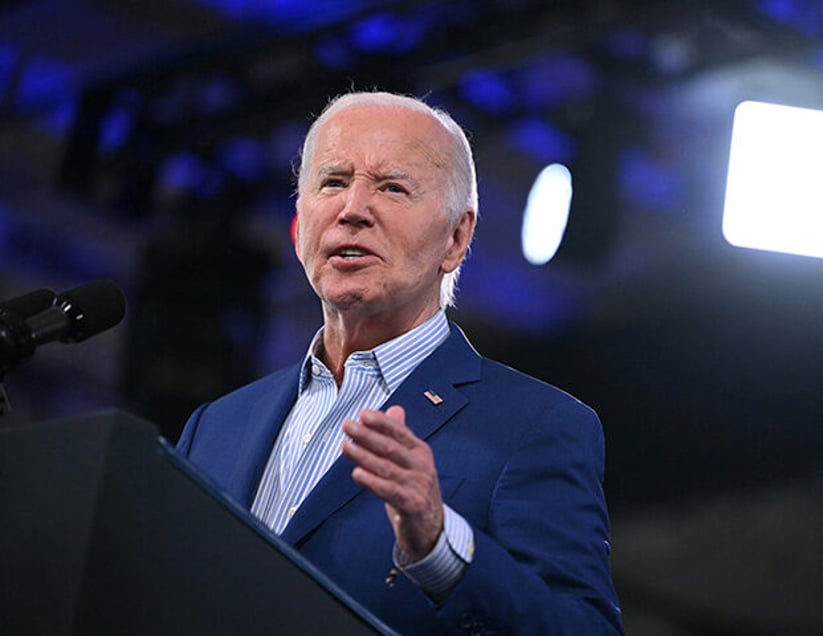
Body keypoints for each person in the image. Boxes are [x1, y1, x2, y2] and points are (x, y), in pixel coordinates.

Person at [177, 91, 625, 635]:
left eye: (391, 187)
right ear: (301, 220)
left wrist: (442, 545)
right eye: (333, 182)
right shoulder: (214, 427)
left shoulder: (534, 426)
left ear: (457, 238)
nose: (352, 210)